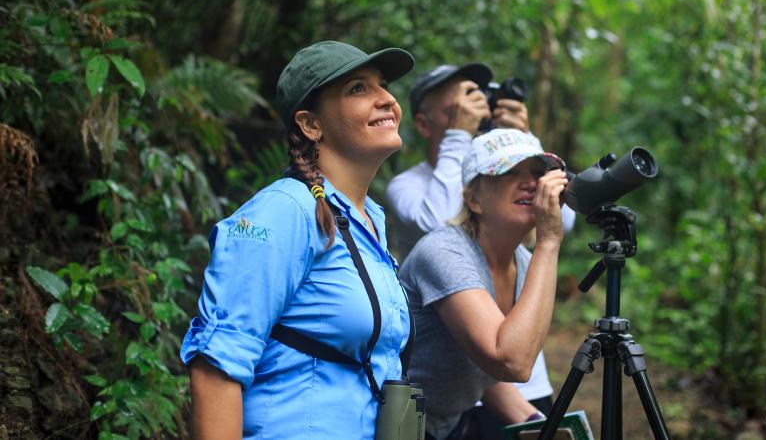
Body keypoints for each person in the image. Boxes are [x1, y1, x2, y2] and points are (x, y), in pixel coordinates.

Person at [180, 40, 415, 440]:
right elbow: (217, 365)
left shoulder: (369, 218)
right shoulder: (283, 211)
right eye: (358, 88)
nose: (386, 100)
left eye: (382, 85)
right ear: (310, 124)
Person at [387, 64, 574, 436]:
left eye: (537, 174)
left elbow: (482, 373)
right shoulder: (444, 251)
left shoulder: (521, 260)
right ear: (472, 196)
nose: (529, 184)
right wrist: (549, 243)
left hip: (448, 421)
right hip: (398, 422)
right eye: (509, 172)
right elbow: (513, 361)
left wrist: (541, 426)